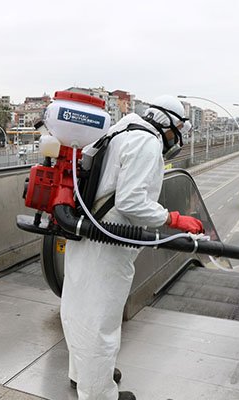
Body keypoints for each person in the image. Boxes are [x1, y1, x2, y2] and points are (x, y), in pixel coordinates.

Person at [60, 95, 204, 400]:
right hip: (109, 241)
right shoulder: (147, 143)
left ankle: (84, 375)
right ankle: (99, 394)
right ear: (166, 123)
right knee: (102, 321)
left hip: (86, 231)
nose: (175, 137)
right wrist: (174, 218)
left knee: (78, 309)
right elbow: (131, 202)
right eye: (177, 129)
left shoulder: (118, 130)